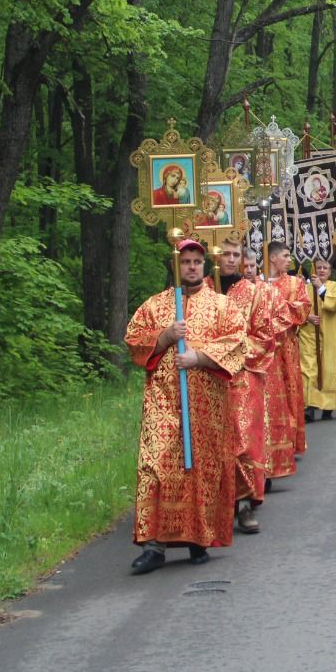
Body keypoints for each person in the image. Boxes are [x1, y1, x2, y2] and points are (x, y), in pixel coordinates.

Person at [123, 237, 245, 572]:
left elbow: (237, 343)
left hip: (206, 404)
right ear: (176, 265)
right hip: (163, 403)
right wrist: (163, 337)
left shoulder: (223, 306)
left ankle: (198, 538)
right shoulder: (156, 305)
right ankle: (154, 545)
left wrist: (199, 357)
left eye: (196, 261)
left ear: (204, 266)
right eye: (186, 261)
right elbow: (133, 340)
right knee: (156, 465)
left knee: (199, 470)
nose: (191, 266)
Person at [220, 237, 275, 534]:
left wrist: (231, 352)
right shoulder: (201, 289)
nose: (230, 259)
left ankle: (244, 505)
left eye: (235, 254)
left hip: (242, 378)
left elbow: (265, 338)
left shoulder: (252, 293)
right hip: (207, 378)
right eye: (225, 254)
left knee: (242, 441)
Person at [261, 242, 310, 474]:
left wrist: (277, 313)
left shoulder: (295, 283)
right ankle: (270, 442)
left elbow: (302, 310)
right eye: (285, 255)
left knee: (290, 390)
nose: (289, 259)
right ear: (272, 258)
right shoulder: (258, 283)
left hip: (287, 346)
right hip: (264, 347)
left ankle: (291, 440)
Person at [300, 257, 336, 421]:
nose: (321, 270)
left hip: (329, 335)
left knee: (328, 369)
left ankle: (328, 405)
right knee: (308, 369)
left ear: (330, 271)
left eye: (325, 268)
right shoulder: (304, 288)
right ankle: (309, 406)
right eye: (318, 267)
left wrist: (320, 288)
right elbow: (297, 308)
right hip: (308, 334)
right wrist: (307, 316)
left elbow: (334, 305)